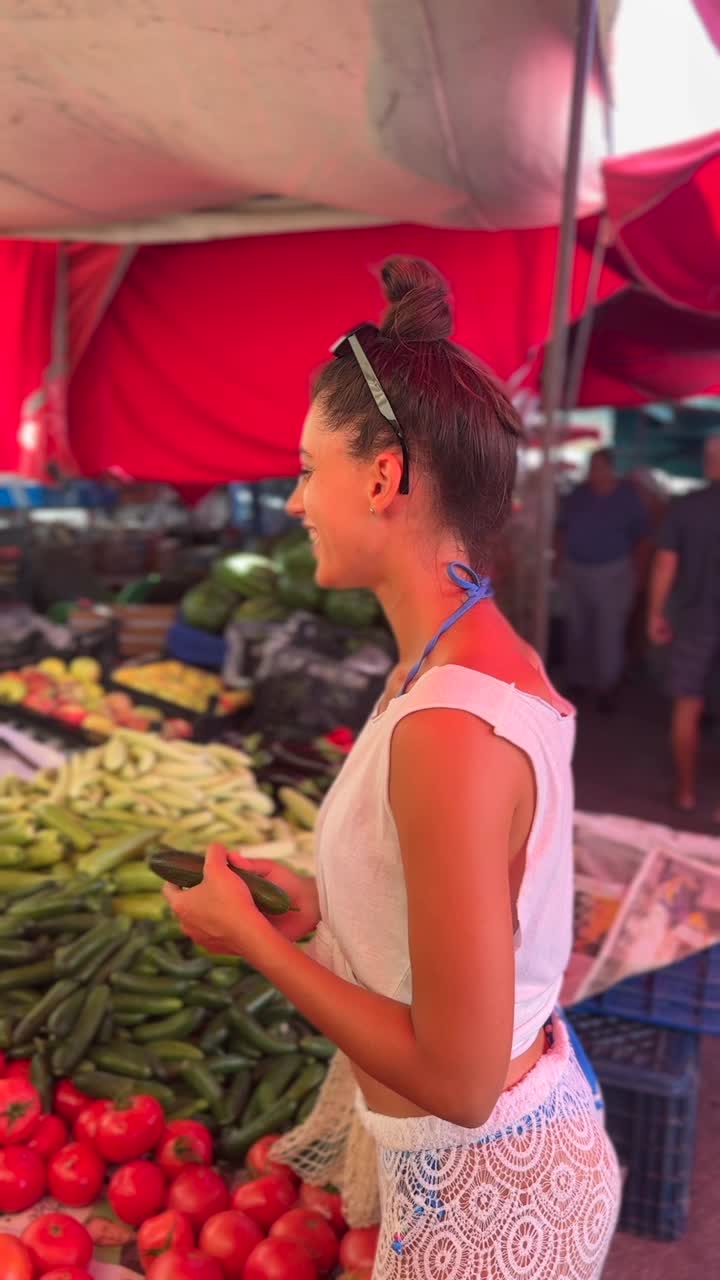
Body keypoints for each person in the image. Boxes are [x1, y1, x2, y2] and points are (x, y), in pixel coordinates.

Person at [164, 258, 621, 1279]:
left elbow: (457, 1080)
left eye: (306, 467)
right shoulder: (447, 658)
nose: (291, 501)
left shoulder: (450, 720)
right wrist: (322, 910)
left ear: (381, 477)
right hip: (487, 1158)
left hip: (484, 1194)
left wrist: (255, 945)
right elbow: (459, 911)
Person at [648, 434, 720, 814]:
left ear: (710, 463)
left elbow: (665, 564)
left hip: (694, 621)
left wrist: (655, 614)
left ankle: (687, 791)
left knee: (687, 708)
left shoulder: (687, 508)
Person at [557, 447, 651, 709]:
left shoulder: (628, 498)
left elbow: (643, 539)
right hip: (575, 570)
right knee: (576, 629)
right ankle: (578, 682)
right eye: (592, 467)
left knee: (608, 633)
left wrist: (639, 576)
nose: (594, 473)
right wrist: (559, 566)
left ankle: (606, 687)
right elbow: (561, 531)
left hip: (613, 572)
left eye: (599, 467)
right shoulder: (577, 495)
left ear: (610, 469)